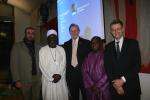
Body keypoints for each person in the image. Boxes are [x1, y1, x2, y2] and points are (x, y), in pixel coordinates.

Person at [104, 19, 141, 100]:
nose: (116, 31)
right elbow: (107, 68)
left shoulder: (133, 44)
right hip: (115, 89)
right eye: (113, 30)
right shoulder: (107, 47)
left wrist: (122, 80)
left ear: (122, 29)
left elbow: (137, 66)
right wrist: (116, 86)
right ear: (111, 32)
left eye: (118, 29)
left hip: (131, 88)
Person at [10, 26, 41, 100]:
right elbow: (13, 64)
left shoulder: (39, 46)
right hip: (24, 78)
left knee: (36, 97)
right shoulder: (17, 46)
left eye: (33, 33)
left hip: (37, 78)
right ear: (25, 34)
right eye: (28, 33)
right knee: (26, 97)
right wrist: (17, 80)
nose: (31, 35)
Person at [63, 23, 90, 100]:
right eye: (71, 31)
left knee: (86, 96)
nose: (73, 32)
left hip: (83, 76)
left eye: (75, 30)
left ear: (79, 31)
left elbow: (89, 60)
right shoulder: (66, 44)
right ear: (69, 32)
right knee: (74, 97)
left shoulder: (86, 43)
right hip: (71, 76)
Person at [39, 29, 68, 100]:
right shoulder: (42, 50)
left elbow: (63, 64)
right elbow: (42, 66)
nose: (52, 39)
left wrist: (59, 75)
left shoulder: (61, 49)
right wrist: (51, 77)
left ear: (56, 38)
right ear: (47, 39)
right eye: (50, 37)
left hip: (60, 79)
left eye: (54, 37)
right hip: (48, 80)